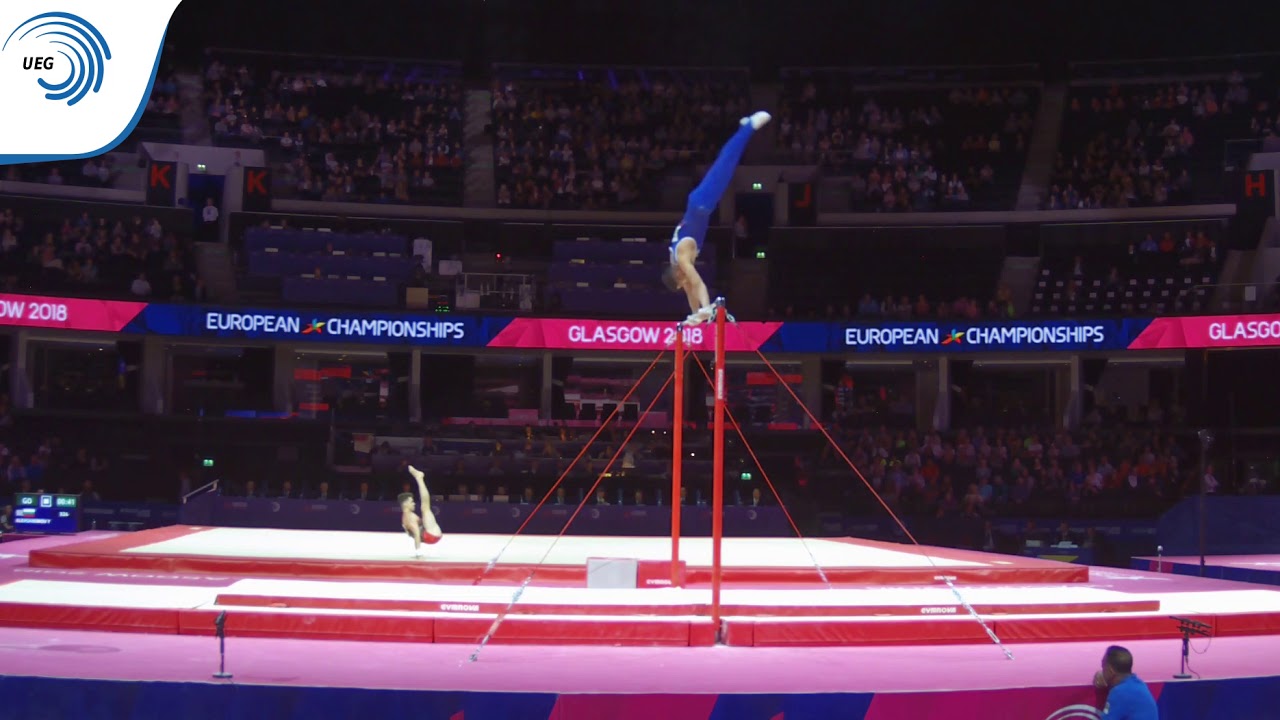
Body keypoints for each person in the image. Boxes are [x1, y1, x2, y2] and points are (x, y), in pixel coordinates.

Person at [664, 111, 771, 325]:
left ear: (677, 273)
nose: (685, 281)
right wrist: (694, 316)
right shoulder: (677, 267)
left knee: (726, 162)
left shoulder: (683, 260)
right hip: (699, 205)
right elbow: (690, 292)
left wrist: (705, 308)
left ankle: (748, 126)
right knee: (725, 164)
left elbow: (699, 285)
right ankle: (743, 129)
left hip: (701, 204)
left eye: (682, 279)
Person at [1093, 645, 1158, 719]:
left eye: (1103, 666)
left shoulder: (1118, 693)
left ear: (1111, 671)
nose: (1102, 671)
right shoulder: (1140, 685)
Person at [401, 465, 443, 557]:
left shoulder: (406, 517)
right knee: (425, 508)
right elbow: (416, 535)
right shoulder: (409, 517)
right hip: (432, 535)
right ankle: (419, 478)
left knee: (425, 509)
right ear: (404, 504)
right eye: (411, 502)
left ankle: (419, 478)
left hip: (429, 535)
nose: (414, 504)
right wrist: (418, 553)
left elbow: (414, 533)